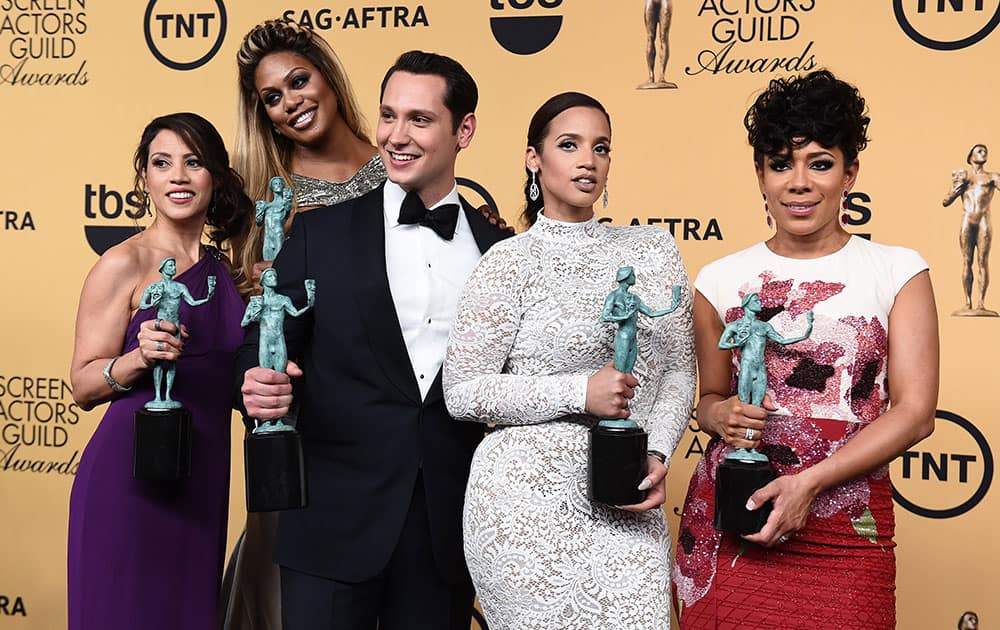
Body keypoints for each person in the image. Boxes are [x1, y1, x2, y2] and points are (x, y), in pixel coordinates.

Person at [236, 50, 511, 629]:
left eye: (419, 119)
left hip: (448, 530)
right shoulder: (316, 233)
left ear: (464, 130)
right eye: (388, 116)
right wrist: (255, 383)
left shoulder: (499, 252)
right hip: (331, 524)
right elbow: (264, 338)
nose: (396, 136)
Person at [671, 70, 939, 628]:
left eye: (819, 162)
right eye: (779, 163)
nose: (799, 182)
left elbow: (915, 414)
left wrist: (809, 483)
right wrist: (721, 412)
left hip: (844, 528)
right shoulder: (720, 279)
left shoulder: (896, 270)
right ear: (760, 176)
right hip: (734, 521)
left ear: (850, 173)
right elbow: (710, 398)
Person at [443, 91, 695, 629]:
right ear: (534, 158)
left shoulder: (651, 249)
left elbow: (677, 371)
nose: (588, 160)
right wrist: (579, 391)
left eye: (600, 147)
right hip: (522, 506)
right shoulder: (507, 261)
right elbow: (462, 391)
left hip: (624, 495)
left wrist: (656, 453)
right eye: (569, 145)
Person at [67, 112, 251, 630]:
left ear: (214, 175)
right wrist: (136, 356)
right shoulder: (122, 263)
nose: (178, 176)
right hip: (129, 483)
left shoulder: (228, 272)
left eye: (193, 163)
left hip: (201, 482)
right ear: (144, 178)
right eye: (162, 163)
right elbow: (82, 384)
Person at [942, 143, 997, 316]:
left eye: (985, 151)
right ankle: (967, 302)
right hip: (967, 219)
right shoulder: (963, 177)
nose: (983, 153)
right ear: (971, 156)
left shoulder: (992, 177)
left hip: (983, 220)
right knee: (967, 261)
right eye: (979, 151)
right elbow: (946, 201)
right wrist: (956, 186)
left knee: (983, 261)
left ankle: (980, 302)